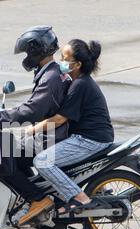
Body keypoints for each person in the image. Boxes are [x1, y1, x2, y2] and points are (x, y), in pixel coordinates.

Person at [0, 26, 71, 225]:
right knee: (14, 153)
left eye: (27, 52)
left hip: (50, 139)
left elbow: (32, 111)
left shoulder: (50, 78)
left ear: (36, 51)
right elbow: (33, 107)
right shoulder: (53, 72)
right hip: (52, 134)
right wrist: (1, 113)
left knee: (2, 156)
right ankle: (29, 196)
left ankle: (38, 199)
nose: (25, 57)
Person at [27, 39, 115, 218]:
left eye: (65, 59)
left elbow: (59, 119)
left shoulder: (80, 85)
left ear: (77, 64)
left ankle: (79, 198)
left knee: (43, 161)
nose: (61, 62)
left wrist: (32, 130)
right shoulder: (79, 81)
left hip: (90, 140)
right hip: (95, 136)